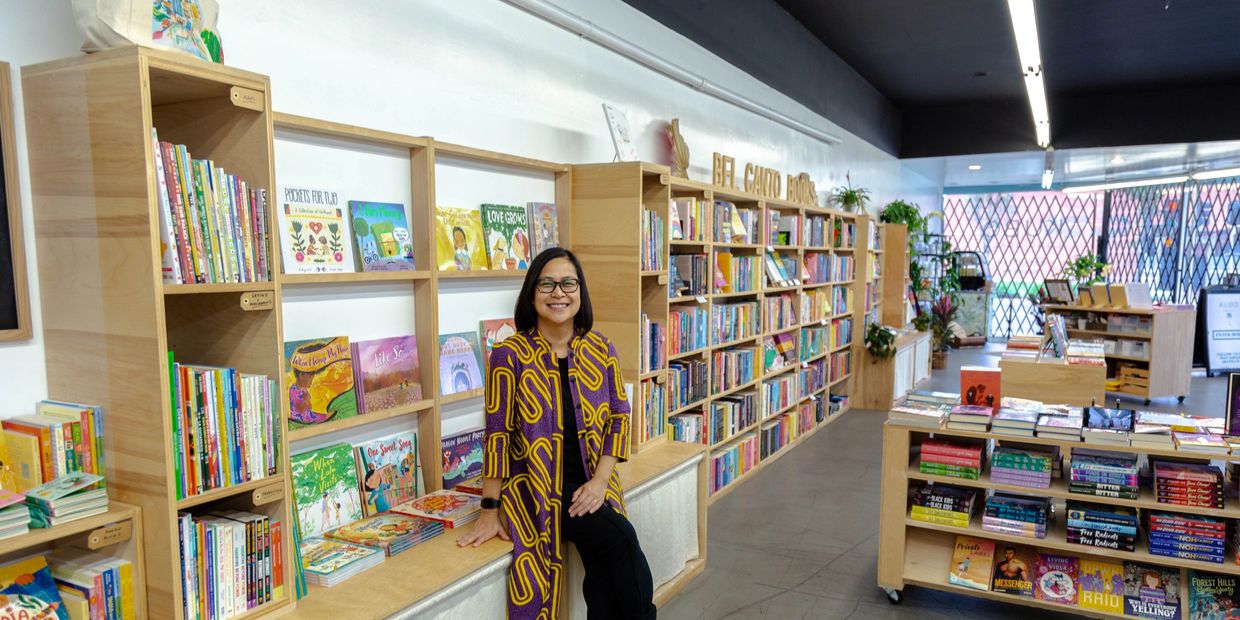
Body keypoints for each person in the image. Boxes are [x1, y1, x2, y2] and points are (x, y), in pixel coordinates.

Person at [457, 247, 656, 620]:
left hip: (594, 480)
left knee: (604, 566)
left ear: (580, 292)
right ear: (532, 293)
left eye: (568, 283)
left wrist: (599, 481)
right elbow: (497, 435)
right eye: (546, 283)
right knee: (621, 539)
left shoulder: (600, 347)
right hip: (539, 488)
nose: (558, 293)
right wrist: (489, 509)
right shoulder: (509, 353)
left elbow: (619, 415)